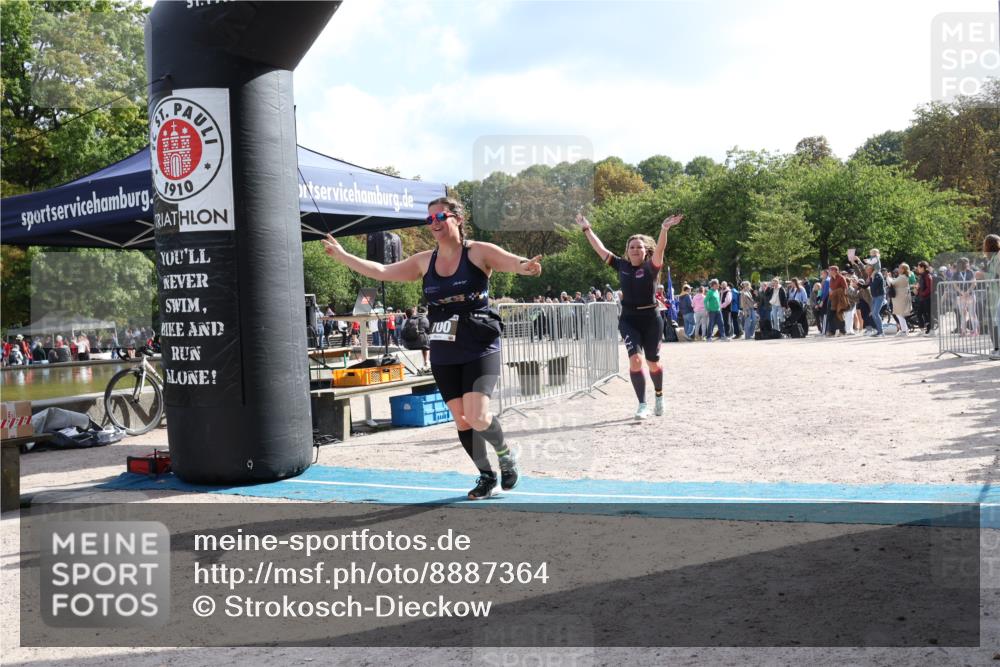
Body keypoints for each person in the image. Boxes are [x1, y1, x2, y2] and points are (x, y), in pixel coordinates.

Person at [323, 196, 541, 500]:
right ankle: (486, 475)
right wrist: (345, 256)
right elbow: (382, 272)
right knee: (462, 419)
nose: (435, 223)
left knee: (478, 415)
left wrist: (525, 267)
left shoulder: (477, 252)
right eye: (430, 220)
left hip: (479, 344)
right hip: (444, 348)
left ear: (457, 219)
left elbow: (510, 261)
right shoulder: (425, 260)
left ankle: (505, 455)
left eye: (440, 217)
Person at [575, 211, 683, 418]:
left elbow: (661, 249)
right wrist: (586, 228)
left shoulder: (651, 267)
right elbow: (600, 249)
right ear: (627, 251)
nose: (635, 250)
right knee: (635, 360)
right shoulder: (621, 265)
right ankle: (642, 404)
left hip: (652, 320)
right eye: (631, 247)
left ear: (646, 251)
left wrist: (664, 228)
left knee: (653, 362)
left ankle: (659, 396)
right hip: (629, 319)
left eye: (639, 247)